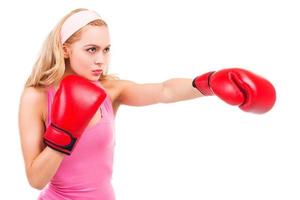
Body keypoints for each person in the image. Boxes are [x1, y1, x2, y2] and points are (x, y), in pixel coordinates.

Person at [18, 8, 276, 200]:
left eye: (106, 49)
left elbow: (164, 91)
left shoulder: (111, 90)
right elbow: (36, 179)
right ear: (65, 50)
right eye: (91, 49)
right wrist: (65, 132)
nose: (101, 60)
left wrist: (209, 83)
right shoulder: (37, 96)